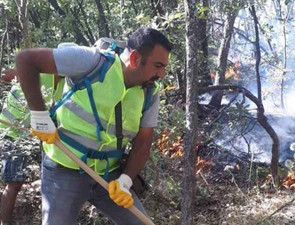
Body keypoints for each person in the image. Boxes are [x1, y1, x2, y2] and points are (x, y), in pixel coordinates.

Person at [15, 27, 172, 225]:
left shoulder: (151, 92)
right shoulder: (91, 62)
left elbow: (143, 143)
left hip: (110, 177)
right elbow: (26, 59)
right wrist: (38, 114)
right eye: (158, 65)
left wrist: (125, 181)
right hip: (64, 170)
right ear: (134, 59)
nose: (162, 73)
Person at [0, 69, 64, 225]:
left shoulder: (65, 83)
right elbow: (7, 75)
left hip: (31, 136)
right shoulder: (37, 71)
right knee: (14, 183)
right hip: (11, 132)